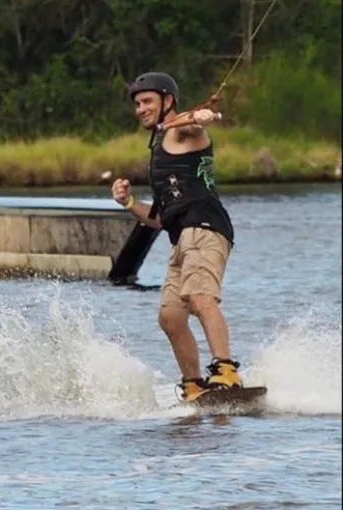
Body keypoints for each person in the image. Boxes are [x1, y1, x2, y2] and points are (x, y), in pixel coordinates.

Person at [111, 72, 242, 403]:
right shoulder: (159, 146)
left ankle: (227, 372)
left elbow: (197, 124)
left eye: (147, 101)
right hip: (180, 237)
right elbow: (157, 220)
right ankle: (194, 384)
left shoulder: (183, 132)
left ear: (167, 101)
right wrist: (127, 203)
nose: (140, 109)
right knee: (170, 317)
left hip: (205, 228)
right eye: (137, 104)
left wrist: (202, 116)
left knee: (201, 298)